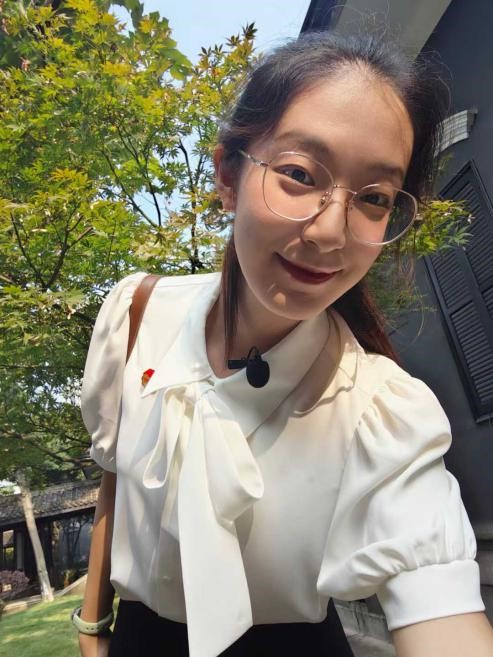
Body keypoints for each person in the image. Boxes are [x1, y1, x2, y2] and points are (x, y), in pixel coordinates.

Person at [76, 29, 493, 657]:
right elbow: (114, 475)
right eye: (299, 174)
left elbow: (441, 609)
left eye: (374, 198)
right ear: (228, 174)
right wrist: (92, 625)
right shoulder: (138, 315)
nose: (330, 232)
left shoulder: (382, 411)